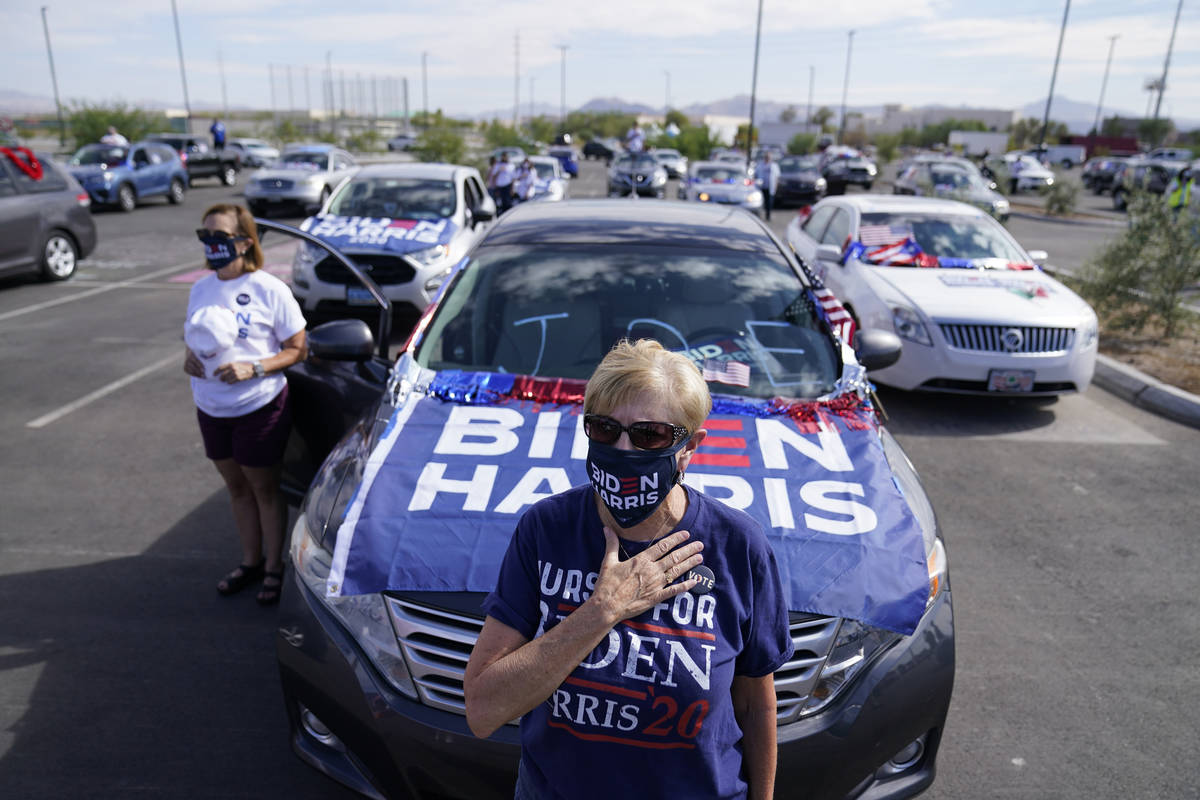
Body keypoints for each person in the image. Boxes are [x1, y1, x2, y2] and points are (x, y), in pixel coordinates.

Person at [464, 339, 793, 800]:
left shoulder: (737, 544)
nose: (623, 449)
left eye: (649, 435)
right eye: (604, 429)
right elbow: (483, 710)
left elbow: (755, 702)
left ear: (689, 447)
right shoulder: (547, 529)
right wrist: (602, 611)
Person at [183, 203, 307, 605]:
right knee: (236, 488)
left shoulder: (270, 289)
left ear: (244, 241)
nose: (211, 245)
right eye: (206, 237)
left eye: (219, 237)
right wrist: (189, 356)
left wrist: (254, 368)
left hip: (259, 405)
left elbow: (297, 349)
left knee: (263, 489)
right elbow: (197, 337)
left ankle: (274, 568)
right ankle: (250, 563)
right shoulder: (201, 288)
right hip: (211, 407)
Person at [756, 151, 780, 221]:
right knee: (761, 202)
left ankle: (768, 215)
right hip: (762, 187)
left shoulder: (774, 165)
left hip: (770, 187)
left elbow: (776, 177)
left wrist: (776, 187)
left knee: (769, 202)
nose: (767, 158)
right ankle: (759, 215)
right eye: (766, 157)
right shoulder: (760, 165)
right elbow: (756, 174)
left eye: (768, 157)